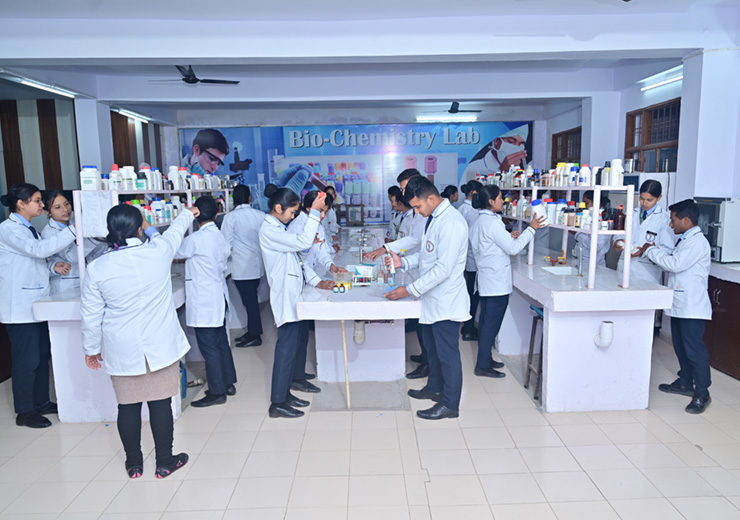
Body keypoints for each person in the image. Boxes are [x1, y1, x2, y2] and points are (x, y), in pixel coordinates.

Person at [81, 203, 198, 478]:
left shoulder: (98, 268)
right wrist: (186, 213)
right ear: (139, 228)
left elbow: (90, 314)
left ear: (109, 229)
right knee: (160, 404)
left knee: (127, 406)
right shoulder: (158, 252)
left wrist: (91, 349)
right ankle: (165, 462)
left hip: (123, 348)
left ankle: (134, 464)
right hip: (160, 345)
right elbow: (175, 231)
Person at [385, 176, 470, 420]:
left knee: (448, 356)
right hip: (432, 299)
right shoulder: (434, 218)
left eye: (418, 206)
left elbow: (443, 269)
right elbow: (426, 256)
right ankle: (434, 388)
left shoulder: (451, 223)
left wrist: (409, 290)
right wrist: (403, 262)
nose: (416, 212)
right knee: (433, 351)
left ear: (431, 198)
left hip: (446, 301)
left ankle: (450, 404)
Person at [0, 183, 77, 428]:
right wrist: (75, 228)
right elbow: (38, 251)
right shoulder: (8, 229)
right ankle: (24, 411)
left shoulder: (28, 228)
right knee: (27, 360)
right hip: (19, 307)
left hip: (36, 302)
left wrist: (53, 267)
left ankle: (42, 402)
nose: (41, 205)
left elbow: (32, 263)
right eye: (37, 200)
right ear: (20, 204)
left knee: (42, 356)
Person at [259, 185, 333, 418]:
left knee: (293, 346)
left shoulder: (279, 228)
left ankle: (287, 392)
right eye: (292, 212)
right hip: (285, 295)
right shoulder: (269, 231)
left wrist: (317, 281)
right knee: (285, 349)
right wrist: (314, 212)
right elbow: (302, 244)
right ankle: (277, 402)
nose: (293, 217)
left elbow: (298, 260)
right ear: (278, 208)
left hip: (294, 292)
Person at [641, 199, 712, 414]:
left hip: (692, 306)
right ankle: (685, 382)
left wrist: (650, 250)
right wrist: (657, 255)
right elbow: (674, 262)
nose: (671, 224)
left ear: (686, 220)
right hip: (681, 303)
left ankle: (702, 393)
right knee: (681, 347)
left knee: (694, 350)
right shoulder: (685, 240)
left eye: (673, 220)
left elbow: (675, 264)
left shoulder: (697, 242)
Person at [471, 185, 545, 377]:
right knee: (491, 325)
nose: (502, 201)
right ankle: (482, 365)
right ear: (491, 201)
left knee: (487, 322)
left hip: (488, 280)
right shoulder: (492, 223)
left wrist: (508, 237)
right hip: (495, 282)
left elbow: (489, 244)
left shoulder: (481, 221)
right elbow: (513, 249)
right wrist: (531, 229)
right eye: (499, 198)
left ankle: (485, 359)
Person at [174, 196, 236, 408]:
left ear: (196, 214)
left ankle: (217, 392)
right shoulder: (219, 236)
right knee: (220, 343)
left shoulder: (196, 239)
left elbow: (173, 249)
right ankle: (228, 382)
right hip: (218, 296)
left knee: (209, 347)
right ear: (217, 214)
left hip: (205, 300)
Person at [366, 186, 429, 379]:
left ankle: (428, 363)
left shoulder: (429, 218)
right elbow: (409, 241)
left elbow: (415, 242)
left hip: (419, 272)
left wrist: (386, 248)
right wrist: (390, 251)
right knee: (422, 322)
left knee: (427, 325)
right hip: (410, 266)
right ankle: (425, 358)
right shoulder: (412, 216)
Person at [221, 185, 265, 348]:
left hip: (241, 268)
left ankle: (255, 335)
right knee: (251, 301)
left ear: (233, 199)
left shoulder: (230, 217)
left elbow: (225, 244)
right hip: (257, 266)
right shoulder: (260, 215)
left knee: (250, 303)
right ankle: (252, 331)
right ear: (249, 198)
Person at [40, 189, 99, 295]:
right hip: (65, 284)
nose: (65, 209)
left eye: (66, 204)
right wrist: (95, 238)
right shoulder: (49, 232)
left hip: (83, 278)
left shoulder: (73, 224)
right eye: (57, 207)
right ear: (47, 212)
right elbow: (73, 256)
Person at [615, 180, 674, 284]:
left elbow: (668, 249)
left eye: (649, 200)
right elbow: (619, 234)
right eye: (642, 198)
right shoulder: (630, 213)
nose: (644, 203)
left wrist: (646, 251)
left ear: (659, 198)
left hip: (647, 273)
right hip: (624, 267)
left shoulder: (665, 219)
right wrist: (617, 242)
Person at [458, 180, 482, 342]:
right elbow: (475, 238)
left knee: (468, 294)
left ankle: (466, 326)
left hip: (465, 259)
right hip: (473, 260)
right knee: (473, 297)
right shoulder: (473, 211)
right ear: (474, 193)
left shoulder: (461, 208)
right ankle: (468, 328)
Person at [464, 124, 529, 178]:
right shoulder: (473, 168)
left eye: (521, 144)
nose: (516, 148)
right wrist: (502, 171)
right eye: (511, 141)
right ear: (497, 141)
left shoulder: (520, 170)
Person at [572, 191, 612, 269]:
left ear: (597, 203)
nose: (584, 206)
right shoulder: (587, 216)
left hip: (595, 265)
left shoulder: (604, 220)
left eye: (586, 203)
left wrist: (577, 234)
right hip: (581, 261)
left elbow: (596, 246)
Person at [322, 186, 341, 253]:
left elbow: (332, 223)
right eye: (328, 193)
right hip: (328, 237)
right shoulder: (324, 209)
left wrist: (338, 228)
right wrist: (336, 230)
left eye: (332, 193)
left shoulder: (331, 208)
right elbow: (326, 228)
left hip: (329, 239)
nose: (331, 195)